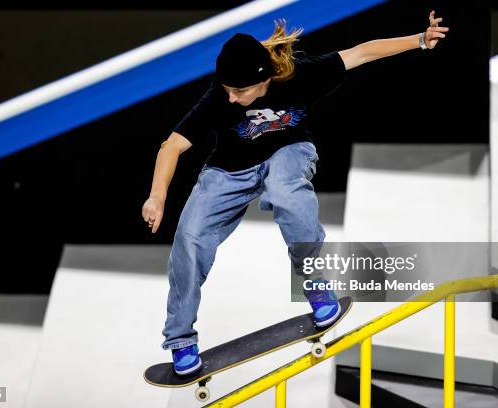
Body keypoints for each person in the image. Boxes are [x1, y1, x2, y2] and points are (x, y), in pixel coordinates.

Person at [142, 11, 449, 376]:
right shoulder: (218, 97)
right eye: (226, 89)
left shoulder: (301, 76)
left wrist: (418, 39)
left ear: (265, 79)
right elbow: (171, 146)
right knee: (189, 239)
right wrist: (157, 196)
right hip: (230, 170)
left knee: (287, 191)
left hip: (288, 153)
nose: (231, 98)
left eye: (239, 91)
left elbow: (361, 53)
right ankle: (180, 339)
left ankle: (316, 283)